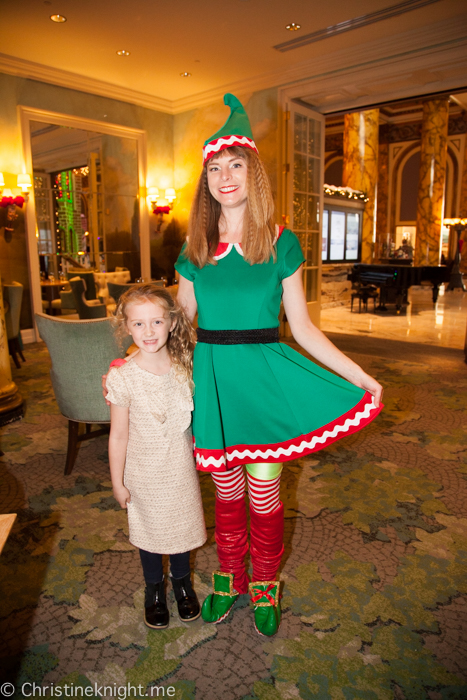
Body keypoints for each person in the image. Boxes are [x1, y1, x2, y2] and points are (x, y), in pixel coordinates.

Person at [174, 94, 384, 637]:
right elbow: (179, 321)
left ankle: (264, 582)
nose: (224, 176)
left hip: (263, 381)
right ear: (206, 179)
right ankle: (228, 578)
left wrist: (358, 376)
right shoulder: (195, 244)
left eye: (235, 165)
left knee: (264, 492)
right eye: (215, 168)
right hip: (213, 381)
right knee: (226, 494)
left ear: (253, 173)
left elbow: (305, 327)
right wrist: (136, 359)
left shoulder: (280, 241)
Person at [106, 284, 206, 630]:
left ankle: (181, 582)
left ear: (172, 323)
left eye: (157, 322)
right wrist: (117, 482)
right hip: (143, 472)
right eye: (138, 324)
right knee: (150, 533)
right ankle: (154, 589)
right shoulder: (123, 376)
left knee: (180, 527)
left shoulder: (185, 365)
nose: (148, 332)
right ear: (126, 326)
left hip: (178, 469)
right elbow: (118, 434)